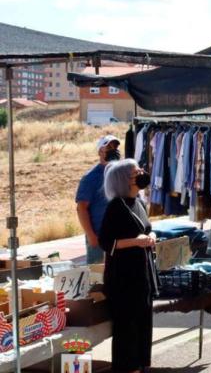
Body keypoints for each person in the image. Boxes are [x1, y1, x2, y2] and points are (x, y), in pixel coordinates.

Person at [99, 159, 158, 373]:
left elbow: (148, 228)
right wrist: (136, 241)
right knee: (127, 329)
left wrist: (151, 236)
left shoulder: (139, 202)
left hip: (142, 276)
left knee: (143, 325)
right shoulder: (116, 206)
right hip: (123, 279)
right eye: (136, 172)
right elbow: (105, 242)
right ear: (125, 180)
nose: (142, 173)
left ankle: (141, 366)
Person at [76, 134, 120, 264]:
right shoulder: (91, 178)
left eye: (115, 146)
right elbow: (81, 208)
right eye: (109, 147)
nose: (113, 149)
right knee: (97, 277)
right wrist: (91, 236)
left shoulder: (122, 173)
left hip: (120, 236)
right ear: (100, 151)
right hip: (99, 236)